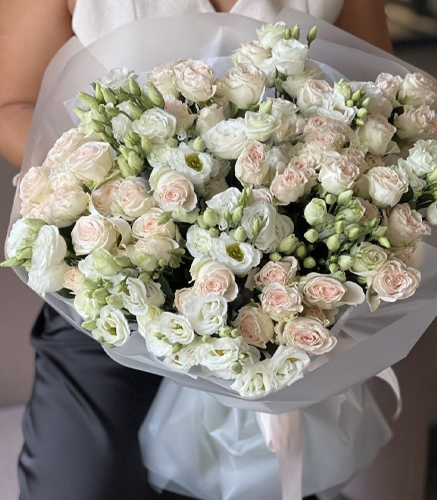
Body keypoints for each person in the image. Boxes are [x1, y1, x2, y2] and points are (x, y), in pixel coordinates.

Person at [0, 1, 393, 499]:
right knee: (79, 483)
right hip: (108, 295)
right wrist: (126, 182)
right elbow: (12, 103)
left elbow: (380, 105)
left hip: (275, 305)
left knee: (252, 481)